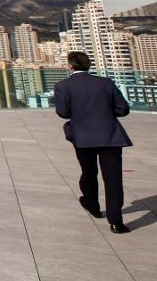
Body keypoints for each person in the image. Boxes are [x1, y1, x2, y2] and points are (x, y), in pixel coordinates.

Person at [54, 51, 132, 233]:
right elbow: (123, 109)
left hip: (83, 137)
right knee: (113, 179)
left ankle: (92, 205)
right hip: (110, 136)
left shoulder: (63, 86)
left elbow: (63, 112)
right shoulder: (105, 83)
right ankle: (116, 222)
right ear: (88, 65)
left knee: (88, 172)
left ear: (70, 66)